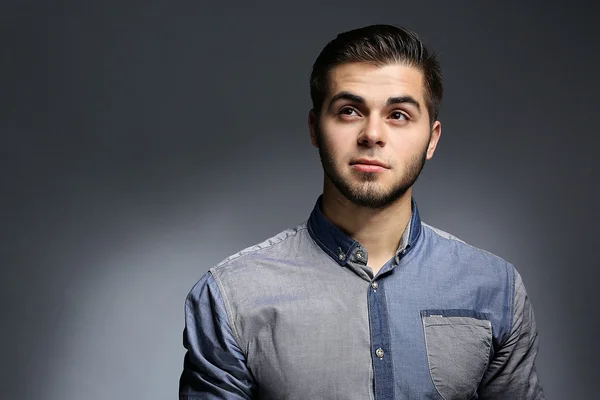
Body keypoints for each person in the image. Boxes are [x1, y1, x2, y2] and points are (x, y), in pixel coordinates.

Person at [178, 24, 545, 399]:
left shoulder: (495, 290)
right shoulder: (232, 296)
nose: (372, 134)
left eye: (398, 114)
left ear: (432, 139)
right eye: (350, 111)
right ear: (315, 129)